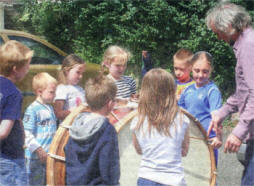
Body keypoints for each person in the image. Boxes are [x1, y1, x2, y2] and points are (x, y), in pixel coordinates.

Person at [206, 2, 254, 185]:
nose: (218, 38)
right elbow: (243, 91)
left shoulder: (249, 45)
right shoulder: (244, 43)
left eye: (217, 32)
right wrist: (221, 113)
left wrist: (238, 132)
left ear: (228, 26)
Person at [130, 68, 190, 186]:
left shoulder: (137, 121)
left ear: (145, 92)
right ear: (171, 92)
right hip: (174, 180)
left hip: (146, 178)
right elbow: (184, 151)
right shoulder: (183, 120)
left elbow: (138, 150)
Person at [64, 74, 120, 185]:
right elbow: (109, 168)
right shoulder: (107, 130)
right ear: (110, 103)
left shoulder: (76, 124)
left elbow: (69, 155)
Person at [178, 51, 222, 165]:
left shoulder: (212, 91)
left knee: (208, 178)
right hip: (190, 140)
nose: (200, 75)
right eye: (197, 71)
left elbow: (217, 117)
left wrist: (218, 137)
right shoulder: (187, 90)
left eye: (205, 71)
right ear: (191, 68)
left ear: (210, 70)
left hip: (208, 142)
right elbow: (179, 113)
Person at [0, 40, 33, 185]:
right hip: (10, 159)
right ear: (15, 69)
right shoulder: (13, 93)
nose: (28, 69)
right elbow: (3, 131)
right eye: (26, 66)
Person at [23, 72, 57, 185]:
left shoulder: (50, 108)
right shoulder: (32, 109)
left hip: (48, 155)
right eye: (51, 92)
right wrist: (38, 149)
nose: (54, 95)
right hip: (35, 158)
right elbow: (26, 133)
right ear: (39, 92)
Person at [54, 54, 86, 122]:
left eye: (82, 73)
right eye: (78, 72)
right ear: (67, 71)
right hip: (68, 129)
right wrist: (75, 111)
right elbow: (58, 113)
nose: (81, 76)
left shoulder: (80, 89)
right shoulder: (62, 89)